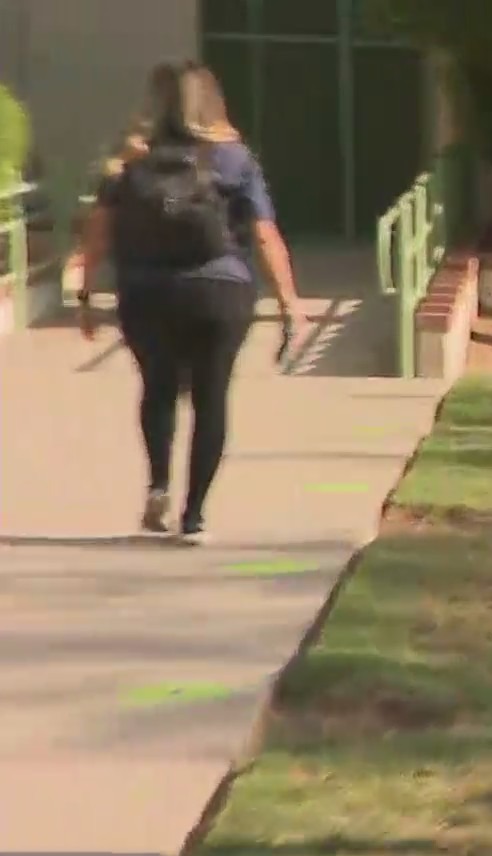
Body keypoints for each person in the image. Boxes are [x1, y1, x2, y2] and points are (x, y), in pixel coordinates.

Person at [76, 60, 306, 544]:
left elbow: (98, 229)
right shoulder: (234, 159)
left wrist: (84, 291)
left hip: (145, 292)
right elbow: (264, 235)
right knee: (211, 396)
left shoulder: (129, 159)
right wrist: (289, 301)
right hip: (220, 290)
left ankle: (159, 482)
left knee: (157, 387)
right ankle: (194, 515)